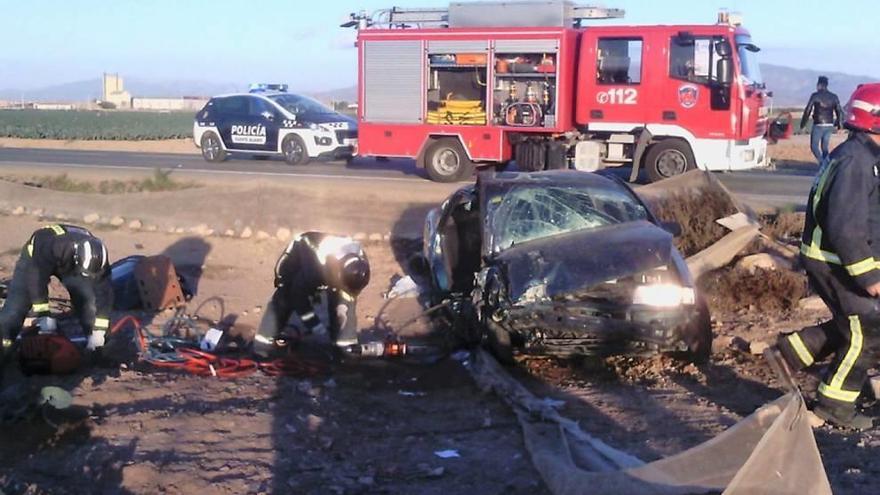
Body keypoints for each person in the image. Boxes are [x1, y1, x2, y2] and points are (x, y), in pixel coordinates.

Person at [770, 83, 880, 430]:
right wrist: (870, 278)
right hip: (836, 261)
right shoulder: (856, 162)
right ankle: (834, 405)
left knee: (852, 325)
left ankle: (790, 354)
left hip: (836, 258)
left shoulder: (857, 155)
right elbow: (845, 227)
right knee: (867, 331)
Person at [0, 224, 112, 354]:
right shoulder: (51, 246)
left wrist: (99, 331)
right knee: (16, 306)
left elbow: (104, 292)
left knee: (89, 303)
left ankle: (95, 350)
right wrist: (43, 314)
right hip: (35, 261)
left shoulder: (99, 258)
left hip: (71, 266)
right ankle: (4, 345)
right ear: (76, 256)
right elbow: (36, 280)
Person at [254, 232, 370, 356]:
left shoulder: (361, 261)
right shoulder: (313, 267)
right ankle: (263, 345)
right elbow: (298, 297)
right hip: (301, 254)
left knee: (345, 300)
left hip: (331, 264)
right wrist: (315, 326)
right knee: (284, 296)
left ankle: (344, 346)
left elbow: (349, 295)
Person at [800, 75, 844, 163]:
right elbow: (839, 111)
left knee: (814, 146)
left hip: (818, 124)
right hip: (829, 125)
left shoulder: (815, 96)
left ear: (819, 85)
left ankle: (822, 164)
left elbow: (807, 110)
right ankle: (827, 164)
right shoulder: (834, 96)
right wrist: (840, 125)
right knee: (825, 148)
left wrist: (803, 124)